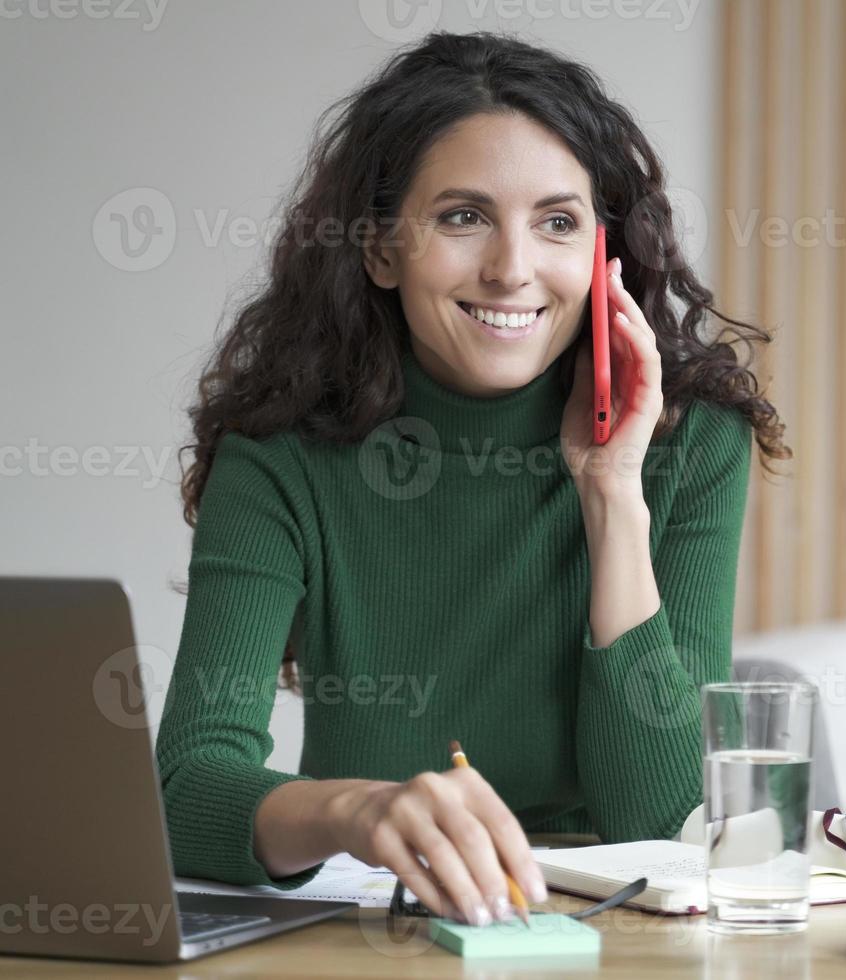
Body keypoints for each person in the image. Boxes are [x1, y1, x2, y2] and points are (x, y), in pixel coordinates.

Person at [155, 30, 789, 928]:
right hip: (381, 929)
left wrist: (611, 493)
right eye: (463, 217)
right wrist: (360, 811)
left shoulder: (689, 441)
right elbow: (186, 789)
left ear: (605, 256)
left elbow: (663, 821)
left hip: (610, 936)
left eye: (558, 222)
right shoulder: (282, 456)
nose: (512, 268)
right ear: (380, 250)